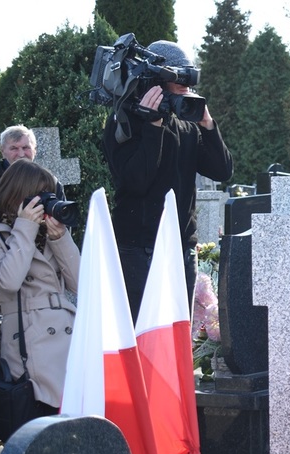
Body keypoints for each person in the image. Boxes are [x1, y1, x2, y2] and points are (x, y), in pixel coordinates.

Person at [103, 40, 233, 322]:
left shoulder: (186, 124)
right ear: (157, 81)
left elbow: (222, 171)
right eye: (179, 78)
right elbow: (136, 181)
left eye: (190, 79)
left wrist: (208, 126)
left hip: (181, 248)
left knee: (178, 334)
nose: (186, 87)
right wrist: (153, 126)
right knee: (143, 334)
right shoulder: (123, 120)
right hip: (139, 250)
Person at [0, 159, 80, 413]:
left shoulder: (48, 232)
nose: (46, 201)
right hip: (29, 340)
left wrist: (61, 239)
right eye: (40, 195)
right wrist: (25, 226)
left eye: (49, 194)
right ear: (18, 195)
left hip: (69, 336)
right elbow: (9, 280)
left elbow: (81, 284)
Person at [0, 126, 66, 203]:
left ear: (35, 149)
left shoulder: (49, 181)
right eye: (14, 148)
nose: (21, 154)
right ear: (2, 150)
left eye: (25, 148)